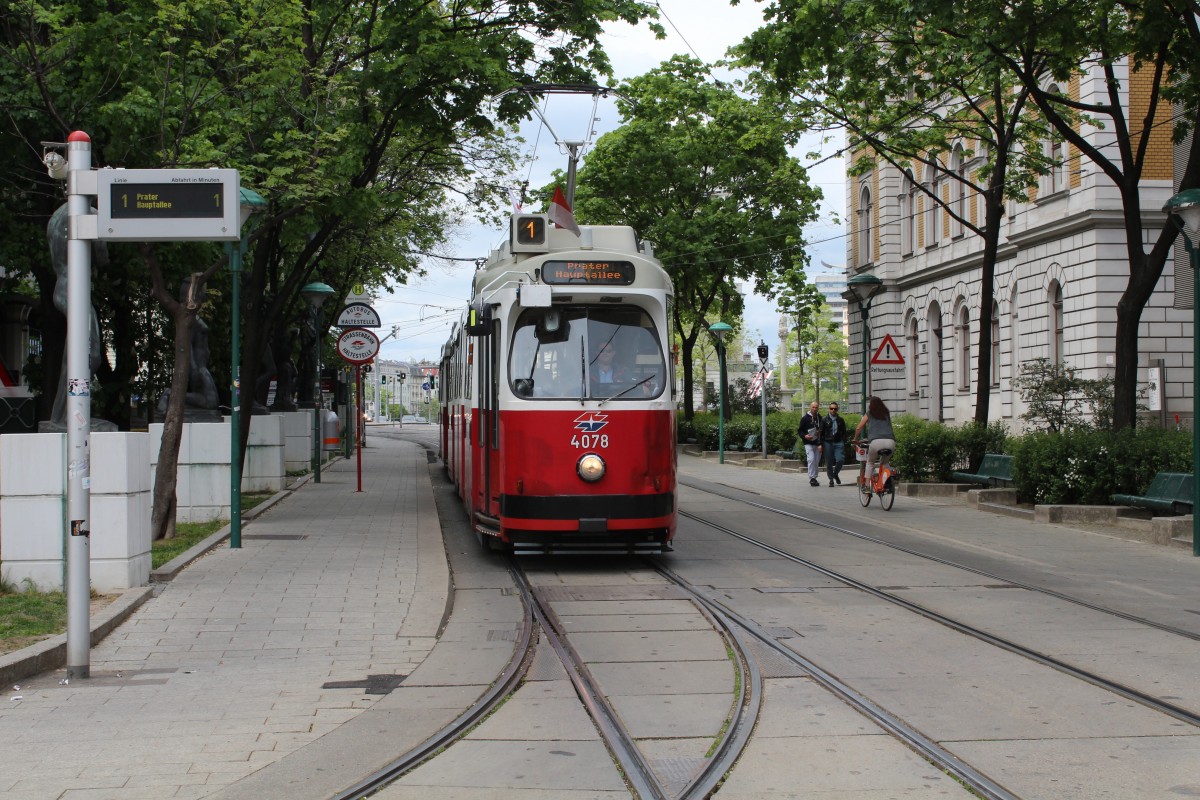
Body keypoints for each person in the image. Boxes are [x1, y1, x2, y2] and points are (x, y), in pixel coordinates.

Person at [853, 396, 896, 493]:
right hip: (891, 441)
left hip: (876, 442)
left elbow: (859, 427)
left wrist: (855, 439)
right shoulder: (886, 412)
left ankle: (867, 486)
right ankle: (887, 484)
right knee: (885, 462)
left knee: (870, 462)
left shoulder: (869, 413)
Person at [798, 400, 823, 487]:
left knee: (816, 460)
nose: (815, 409)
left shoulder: (820, 418)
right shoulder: (805, 418)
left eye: (816, 407)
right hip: (808, 443)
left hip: (817, 443)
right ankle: (812, 477)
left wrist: (820, 443)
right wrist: (805, 436)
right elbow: (800, 431)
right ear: (810, 407)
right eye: (813, 407)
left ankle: (814, 477)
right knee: (811, 459)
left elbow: (822, 431)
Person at [820, 402, 846, 486]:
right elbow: (821, 433)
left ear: (837, 409)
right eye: (831, 408)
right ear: (829, 409)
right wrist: (820, 444)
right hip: (828, 442)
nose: (833, 410)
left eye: (835, 409)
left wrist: (843, 440)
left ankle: (835, 474)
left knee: (840, 459)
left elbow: (844, 431)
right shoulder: (824, 419)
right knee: (829, 462)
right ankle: (831, 479)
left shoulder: (840, 419)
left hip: (838, 442)